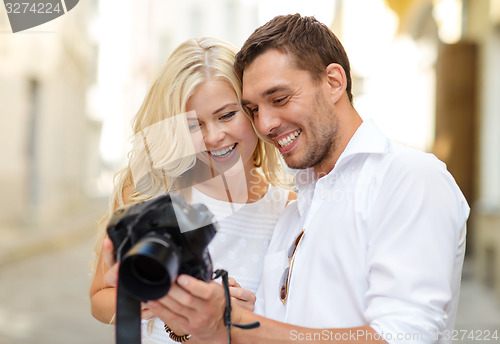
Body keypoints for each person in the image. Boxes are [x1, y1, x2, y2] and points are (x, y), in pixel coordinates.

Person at [101, 14, 471, 344]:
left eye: (279, 98)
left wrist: (234, 322)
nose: (265, 124)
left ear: (333, 81)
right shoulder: (298, 210)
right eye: (254, 109)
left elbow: (403, 336)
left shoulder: (409, 178)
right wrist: (217, 316)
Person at [89, 37, 296, 344]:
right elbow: (100, 298)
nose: (214, 136)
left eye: (226, 115)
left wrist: (244, 318)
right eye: (192, 125)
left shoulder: (288, 209)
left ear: (252, 110)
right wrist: (161, 298)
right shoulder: (152, 192)